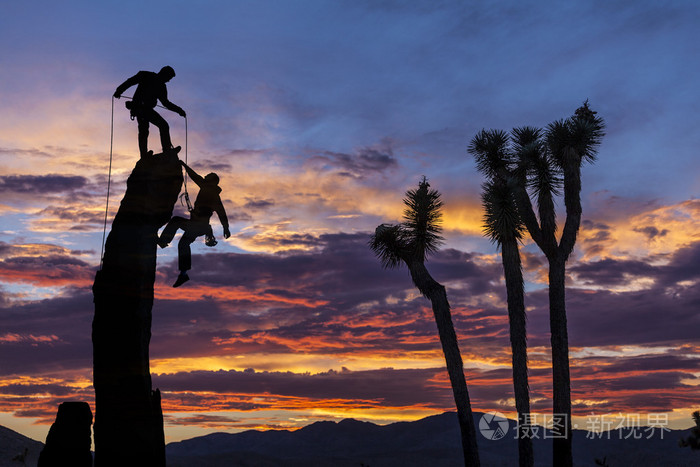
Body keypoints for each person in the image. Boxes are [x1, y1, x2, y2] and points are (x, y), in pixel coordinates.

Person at [158, 160, 230, 287]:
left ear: (211, 181)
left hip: (198, 225)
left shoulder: (208, 188)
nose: (204, 177)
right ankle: (183, 274)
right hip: (198, 226)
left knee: (176, 221)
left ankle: (163, 241)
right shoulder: (213, 193)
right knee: (183, 244)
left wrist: (185, 166)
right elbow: (221, 213)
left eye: (207, 177)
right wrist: (225, 228)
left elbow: (194, 176)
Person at [114, 66, 186, 157]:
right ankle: (162, 151)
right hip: (140, 108)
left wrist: (179, 110)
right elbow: (130, 82)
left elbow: (165, 103)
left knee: (147, 129)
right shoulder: (146, 76)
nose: (168, 81)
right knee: (158, 127)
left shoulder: (160, 85)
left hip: (145, 109)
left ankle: (147, 154)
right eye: (169, 78)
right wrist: (119, 91)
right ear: (164, 74)